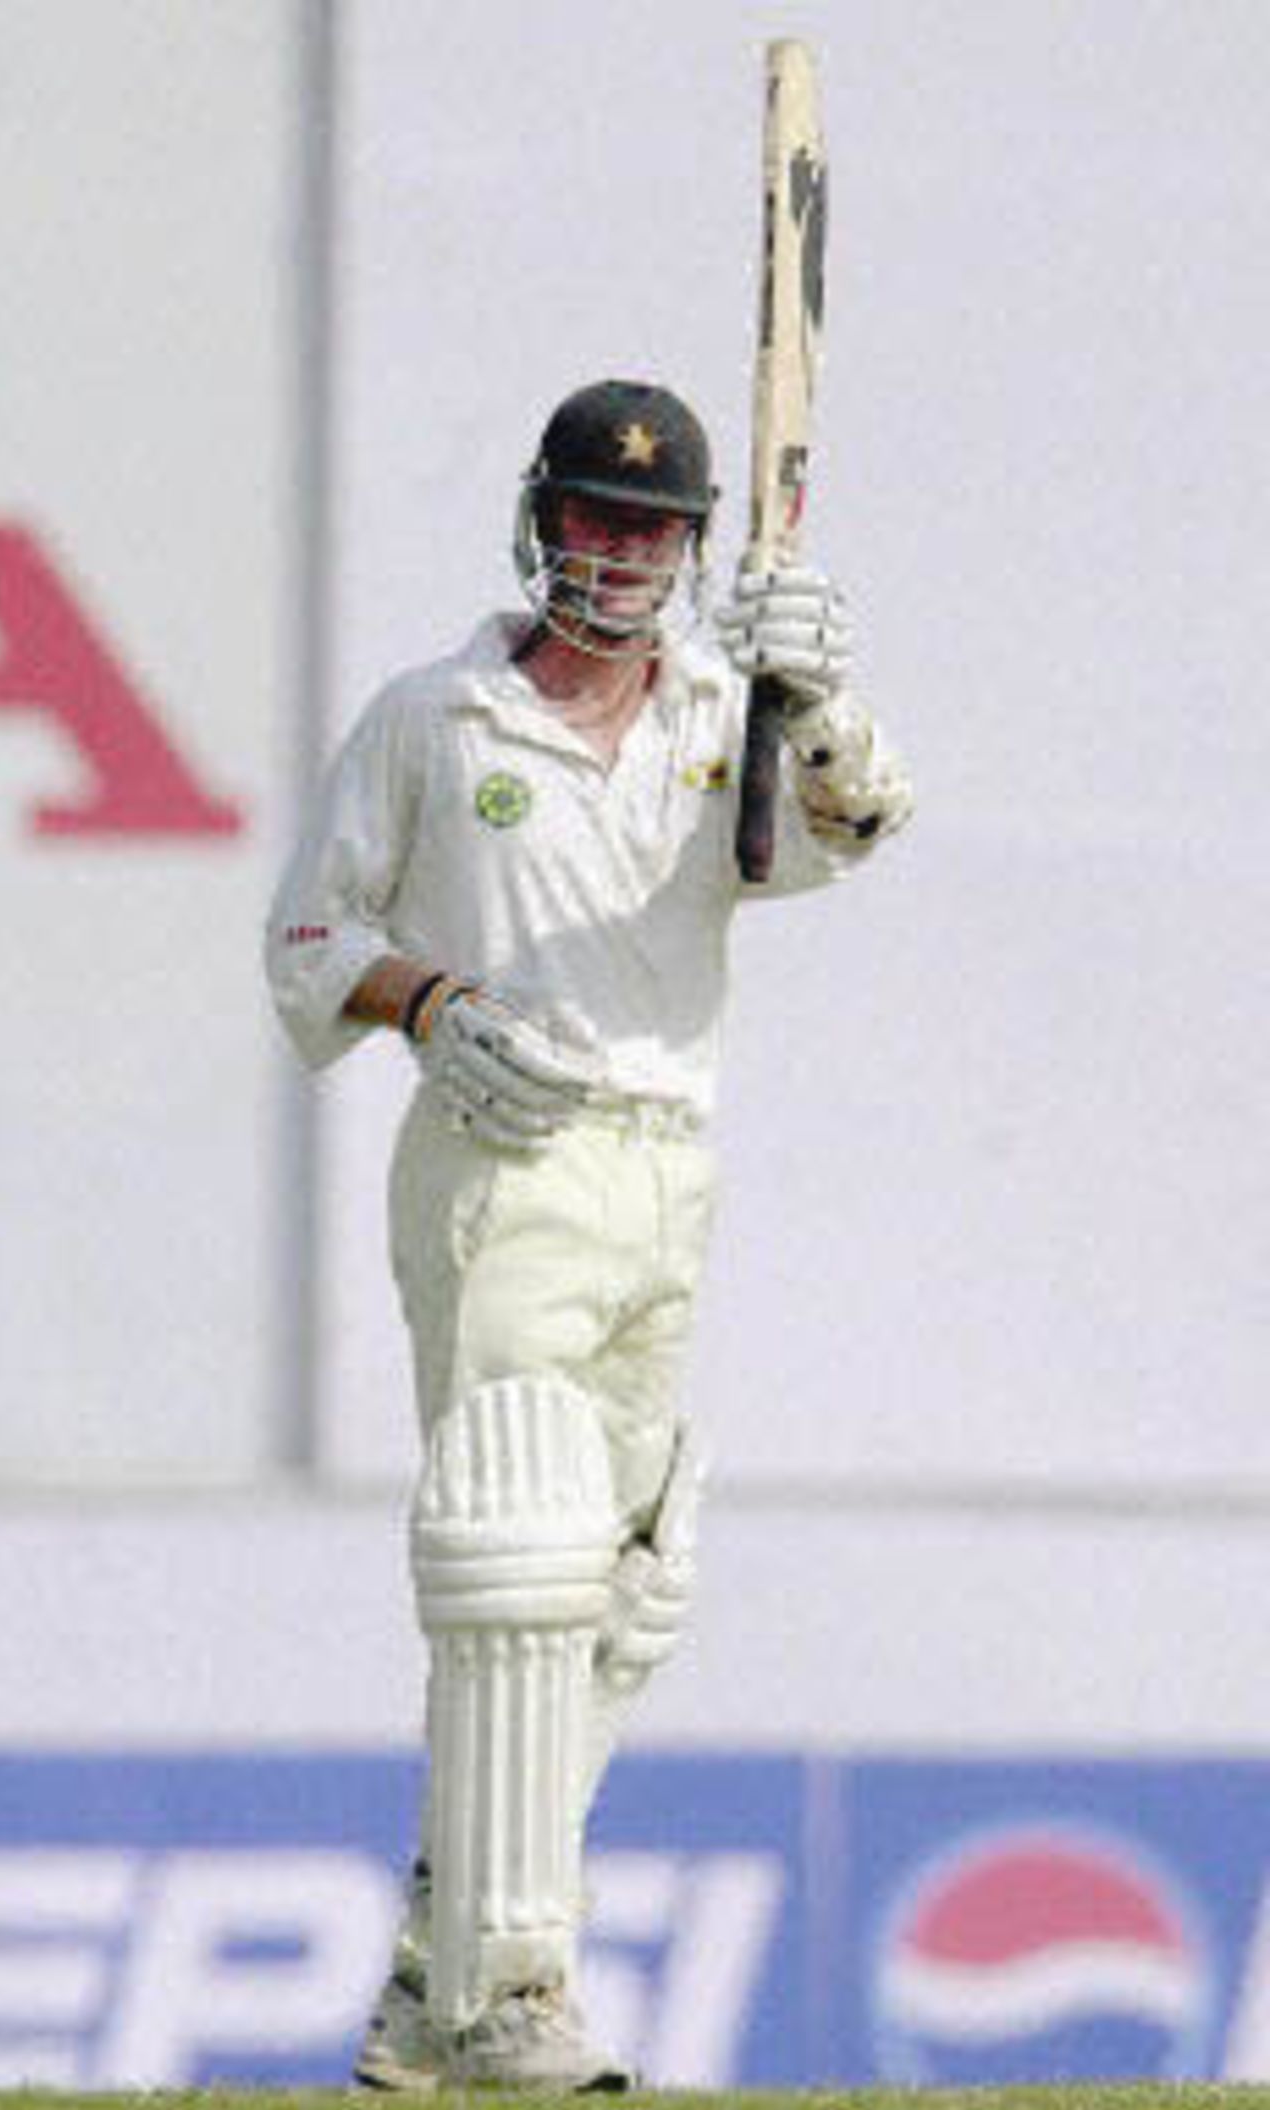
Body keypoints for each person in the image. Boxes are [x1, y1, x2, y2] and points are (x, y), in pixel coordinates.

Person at [264, 378, 912, 2092]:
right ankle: (512, 1992)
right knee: (516, 1565)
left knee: (622, 1588)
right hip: (503, 1152)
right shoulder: (439, 716)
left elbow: (853, 829)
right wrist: (431, 998)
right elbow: (312, 934)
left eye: (648, 531)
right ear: (538, 520)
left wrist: (819, 695)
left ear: (691, 551)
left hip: (666, 1164)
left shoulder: (726, 707)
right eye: (590, 519)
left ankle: (434, 1972)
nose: (614, 557)